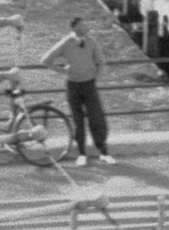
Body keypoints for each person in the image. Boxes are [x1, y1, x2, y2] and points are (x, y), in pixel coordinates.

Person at [41, 16, 115, 166]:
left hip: (89, 85)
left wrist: (95, 78)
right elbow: (45, 60)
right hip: (73, 86)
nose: (85, 27)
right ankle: (81, 153)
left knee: (96, 118)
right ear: (74, 28)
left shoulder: (92, 42)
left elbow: (101, 63)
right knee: (77, 120)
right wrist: (63, 71)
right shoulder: (66, 43)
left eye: (85, 25)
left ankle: (104, 152)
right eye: (82, 25)